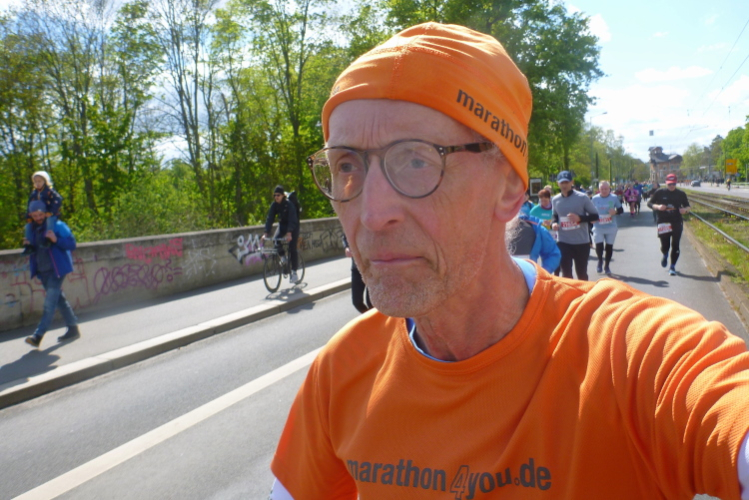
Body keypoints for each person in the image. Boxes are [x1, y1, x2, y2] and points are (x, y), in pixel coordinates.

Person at [272, 23, 749, 500]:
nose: (371, 215)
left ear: (508, 188)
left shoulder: (632, 356)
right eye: (346, 166)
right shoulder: (340, 371)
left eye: (416, 161)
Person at [23, 200, 80, 348]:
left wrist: (56, 240)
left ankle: (38, 336)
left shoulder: (58, 225)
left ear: (46, 213)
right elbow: (35, 251)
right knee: (59, 300)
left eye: (40, 214)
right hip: (43, 271)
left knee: (49, 304)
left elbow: (72, 244)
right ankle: (73, 328)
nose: (38, 218)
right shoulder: (32, 229)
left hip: (57, 270)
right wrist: (28, 245)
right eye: (35, 215)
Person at [551, 170, 599, 281]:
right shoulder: (555, 199)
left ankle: (584, 292)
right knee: (566, 275)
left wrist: (580, 218)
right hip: (563, 241)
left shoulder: (582, 197)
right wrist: (554, 223)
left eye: (566, 182)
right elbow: (555, 215)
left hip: (581, 242)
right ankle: (569, 292)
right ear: (558, 183)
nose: (564, 185)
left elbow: (595, 216)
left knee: (581, 274)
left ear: (572, 182)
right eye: (562, 183)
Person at [647, 173, 690, 276]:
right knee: (664, 245)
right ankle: (665, 254)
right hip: (663, 222)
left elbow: (688, 206)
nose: (672, 186)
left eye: (673, 184)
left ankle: (672, 266)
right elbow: (649, 203)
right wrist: (657, 207)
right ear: (666, 183)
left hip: (676, 221)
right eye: (670, 184)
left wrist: (685, 210)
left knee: (675, 245)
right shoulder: (660, 192)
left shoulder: (681, 194)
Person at [261, 186, 300, 284]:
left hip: (293, 226)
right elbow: (270, 218)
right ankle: (283, 258)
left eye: (278, 195)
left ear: (283, 195)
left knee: (292, 248)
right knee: (275, 239)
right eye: (274, 195)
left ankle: (294, 272)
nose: (276, 197)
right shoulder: (274, 205)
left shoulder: (289, 204)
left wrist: (289, 233)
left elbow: (292, 220)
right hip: (282, 225)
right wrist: (265, 233)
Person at [22, 171, 63, 255]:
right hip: (38, 216)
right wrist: (29, 216)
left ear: (45, 181)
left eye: (39, 181)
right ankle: (29, 245)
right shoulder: (34, 193)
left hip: (50, 214)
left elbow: (58, 200)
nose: (37, 183)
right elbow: (30, 206)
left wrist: (51, 211)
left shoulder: (50, 191)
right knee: (28, 226)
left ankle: (48, 239)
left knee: (49, 220)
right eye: (35, 182)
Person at [590, 181, 623, 274]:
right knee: (599, 245)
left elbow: (621, 210)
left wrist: (615, 212)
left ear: (609, 189)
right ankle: (600, 261)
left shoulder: (614, 197)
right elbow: (589, 211)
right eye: (602, 189)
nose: (604, 191)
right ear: (599, 190)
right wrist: (591, 219)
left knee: (609, 246)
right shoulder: (594, 198)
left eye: (606, 189)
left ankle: (607, 265)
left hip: (611, 226)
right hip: (598, 226)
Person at [342, 233, 372, 313]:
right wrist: (346, 247)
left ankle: (375, 319)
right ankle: (371, 318)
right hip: (356, 268)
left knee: (371, 303)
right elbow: (345, 236)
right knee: (357, 302)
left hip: (371, 268)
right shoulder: (351, 227)